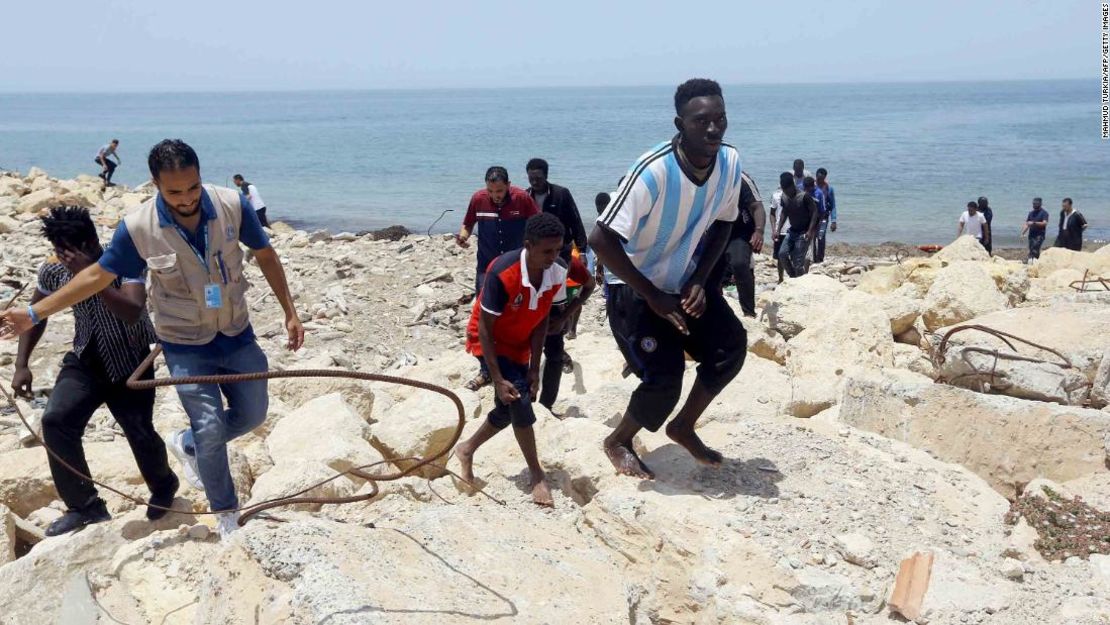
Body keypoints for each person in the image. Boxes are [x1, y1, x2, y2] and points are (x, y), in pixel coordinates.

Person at [1, 139, 306, 540]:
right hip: (182, 343)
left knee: (253, 415)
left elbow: (264, 254)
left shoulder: (232, 204)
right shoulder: (138, 228)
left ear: (200, 176)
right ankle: (226, 512)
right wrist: (35, 313)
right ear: (155, 185)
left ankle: (186, 446)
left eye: (192, 188)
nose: (186, 199)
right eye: (174, 192)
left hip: (234, 332)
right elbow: (96, 277)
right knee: (209, 426)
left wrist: (290, 310)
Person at [590, 78, 748, 478]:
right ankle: (618, 440)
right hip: (634, 289)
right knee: (664, 378)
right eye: (701, 121)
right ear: (680, 124)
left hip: (682, 282)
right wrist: (652, 295)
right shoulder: (653, 172)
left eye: (720, 119)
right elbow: (600, 239)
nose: (713, 129)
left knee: (731, 347)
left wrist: (699, 279)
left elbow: (725, 224)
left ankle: (683, 426)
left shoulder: (729, 162)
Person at [10, 206, 178, 536]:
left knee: (139, 430)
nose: (63, 258)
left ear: (90, 243)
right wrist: (21, 364)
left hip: (131, 360)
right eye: (59, 251)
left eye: (69, 250)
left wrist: (91, 275)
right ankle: (85, 506)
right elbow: (35, 315)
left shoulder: (126, 262)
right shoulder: (53, 270)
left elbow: (131, 310)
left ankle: (164, 486)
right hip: (86, 358)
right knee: (56, 421)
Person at [454, 213, 572, 507]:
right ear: (528, 245)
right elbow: (485, 327)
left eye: (558, 250)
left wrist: (535, 368)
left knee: (509, 405)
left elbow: (542, 318)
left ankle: (467, 448)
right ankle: (536, 474)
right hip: (490, 342)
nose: (553, 257)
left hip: (520, 343)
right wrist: (496, 377)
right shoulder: (502, 273)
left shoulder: (556, 271)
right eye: (547, 251)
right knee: (517, 400)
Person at [457, 166, 540, 390]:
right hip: (487, 268)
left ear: (509, 185)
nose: (496, 196)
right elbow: (467, 223)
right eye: (492, 191)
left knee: (515, 316)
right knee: (483, 319)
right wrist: (463, 236)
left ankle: (517, 363)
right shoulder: (478, 199)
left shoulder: (522, 198)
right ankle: (486, 370)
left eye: (500, 191)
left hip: (516, 268)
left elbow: (537, 225)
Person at [539, 252, 595, 411]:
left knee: (555, 356)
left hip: (554, 307)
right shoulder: (523, 262)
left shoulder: (571, 261)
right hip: (526, 306)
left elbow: (589, 285)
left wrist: (564, 316)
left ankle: (546, 407)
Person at [718, 171, 765, 317]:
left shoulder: (741, 179)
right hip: (714, 229)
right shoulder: (701, 175)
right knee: (711, 272)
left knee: (739, 264)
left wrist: (759, 231)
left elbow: (757, 207)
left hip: (739, 231)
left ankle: (749, 312)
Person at [525, 158, 587, 262]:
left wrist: (582, 251)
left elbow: (576, 223)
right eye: (531, 179)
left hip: (561, 250)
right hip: (537, 251)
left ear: (546, 176)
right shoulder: (526, 196)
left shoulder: (561, 194)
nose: (534, 182)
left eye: (538, 178)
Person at [777, 173, 820, 278]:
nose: (786, 192)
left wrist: (810, 231)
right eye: (784, 190)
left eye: (787, 189)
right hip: (792, 231)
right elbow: (784, 212)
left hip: (804, 233)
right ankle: (793, 277)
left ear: (793, 185)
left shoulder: (804, 196)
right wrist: (778, 229)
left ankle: (798, 281)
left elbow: (815, 212)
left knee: (798, 262)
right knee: (782, 254)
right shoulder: (784, 197)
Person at [812, 168, 837, 263]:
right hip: (812, 217)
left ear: (825, 178)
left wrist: (833, 220)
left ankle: (820, 258)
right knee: (812, 237)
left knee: (821, 237)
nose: (819, 181)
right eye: (818, 178)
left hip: (824, 217)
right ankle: (813, 257)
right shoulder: (811, 187)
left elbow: (833, 205)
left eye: (821, 179)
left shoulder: (829, 189)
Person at [769, 187, 789, 284]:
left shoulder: (797, 195)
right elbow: (772, 213)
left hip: (792, 230)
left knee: (793, 255)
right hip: (779, 231)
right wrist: (773, 230)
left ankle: (794, 277)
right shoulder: (775, 195)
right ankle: (781, 278)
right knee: (780, 256)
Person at [1020, 197, 1050, 262]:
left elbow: (1045, 223)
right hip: (1031, 234)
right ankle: (1035, 261)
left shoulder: (1044, 213)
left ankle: (1029, 260)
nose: (1033, 205)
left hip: (1040, 234)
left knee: (1035, 248)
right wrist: (1022, 233)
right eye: (1033, 204)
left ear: (1040, 204)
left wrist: (1034, 223)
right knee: (1031, 248)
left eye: (1035, 204)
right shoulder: (1031, 213)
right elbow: (1027, 224)